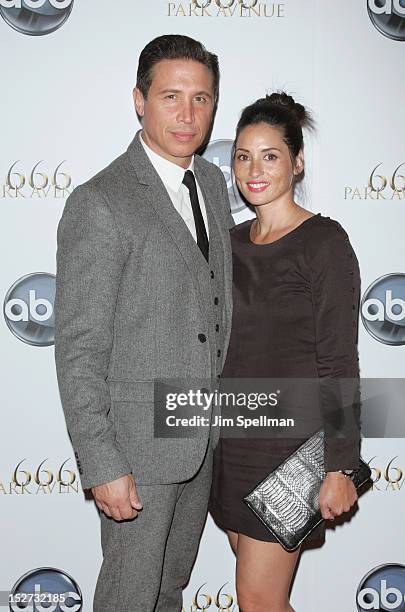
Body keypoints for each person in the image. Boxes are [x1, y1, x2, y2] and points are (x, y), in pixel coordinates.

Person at [54, 34, 234, 612]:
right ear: (139, 100)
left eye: (201, 99)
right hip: (135, 448)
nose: (187, 115)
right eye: (171, 97)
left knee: (170, 591)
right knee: (129, 597)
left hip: (201, 437)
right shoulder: (100, 201)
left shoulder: (209, 182)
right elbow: (78, 348)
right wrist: (102, 463)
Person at [209, 92, 362, 612]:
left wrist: (339, 466)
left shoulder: (323, 242)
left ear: (296, 163)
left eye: (270, 155)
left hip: (292, 451)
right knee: (264, 599)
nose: (253, 169)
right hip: (231, 446)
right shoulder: (228, 244)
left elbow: (340, 361)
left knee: (255, 599)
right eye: (243, 156)